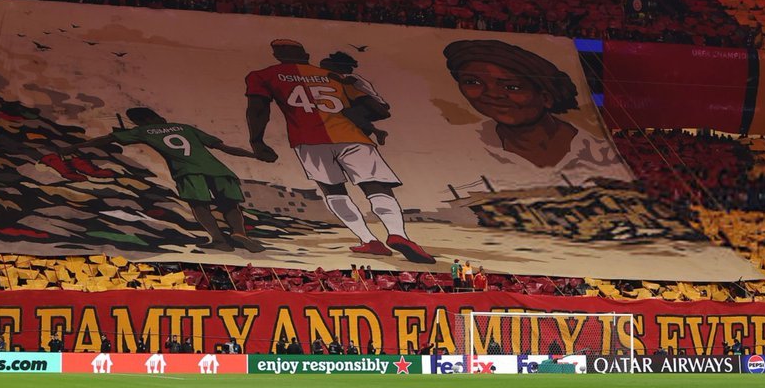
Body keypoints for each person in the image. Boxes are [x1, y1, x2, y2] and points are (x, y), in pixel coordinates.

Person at [245, 39, 433, 264]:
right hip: (351, 137)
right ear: (305, 54)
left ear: (276, 55)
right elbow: (377, 110)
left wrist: (257, 141)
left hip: (308, 141)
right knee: (376, 186)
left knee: (334, 191)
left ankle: (368, 239)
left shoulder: (262, 75)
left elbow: (258, 109)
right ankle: (398, 235)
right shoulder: (334, 76)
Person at [48, 107, 265, 254]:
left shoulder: (143, 131)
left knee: (199, 205)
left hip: (187, 171)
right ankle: (238, 232)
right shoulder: (184, 127)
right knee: (230, 204)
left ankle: (219, 239)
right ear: (157, 117)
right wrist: (253, 156)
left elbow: (108, 139)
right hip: (217, 168)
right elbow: (223, 147)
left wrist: (73, 147)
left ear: (139, 121)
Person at [442, 39, 632, 182]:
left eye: (512, 87)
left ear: (546, 97)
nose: (492, 94)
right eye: (472, 82)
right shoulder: (464, 145)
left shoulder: (596, 152)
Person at [319, 51, 390, 145]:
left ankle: (376, 131)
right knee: (355, 120)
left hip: (374, 104)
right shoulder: (343, 81)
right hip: (365, 106)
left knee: (348, 112)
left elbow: (346, 81)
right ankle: (373, 132)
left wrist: (332, 76)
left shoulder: (352, 77)